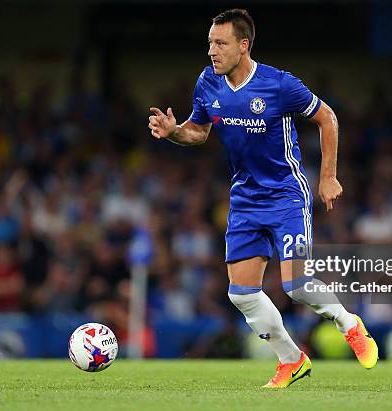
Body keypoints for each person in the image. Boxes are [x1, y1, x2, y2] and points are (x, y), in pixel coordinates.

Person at [148, 8, 377, 388]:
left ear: (243, 45)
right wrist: (174, 131)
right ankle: (292, 360)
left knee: (296, 286)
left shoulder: (279, 84)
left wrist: (329, 176)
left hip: (287, 194)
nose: (212, 51)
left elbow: (328, 118)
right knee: (241, 294)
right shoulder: (208, 82)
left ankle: (349, 325)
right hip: (244, 200)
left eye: (220, 43)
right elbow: (198, 133)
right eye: (209, 43)